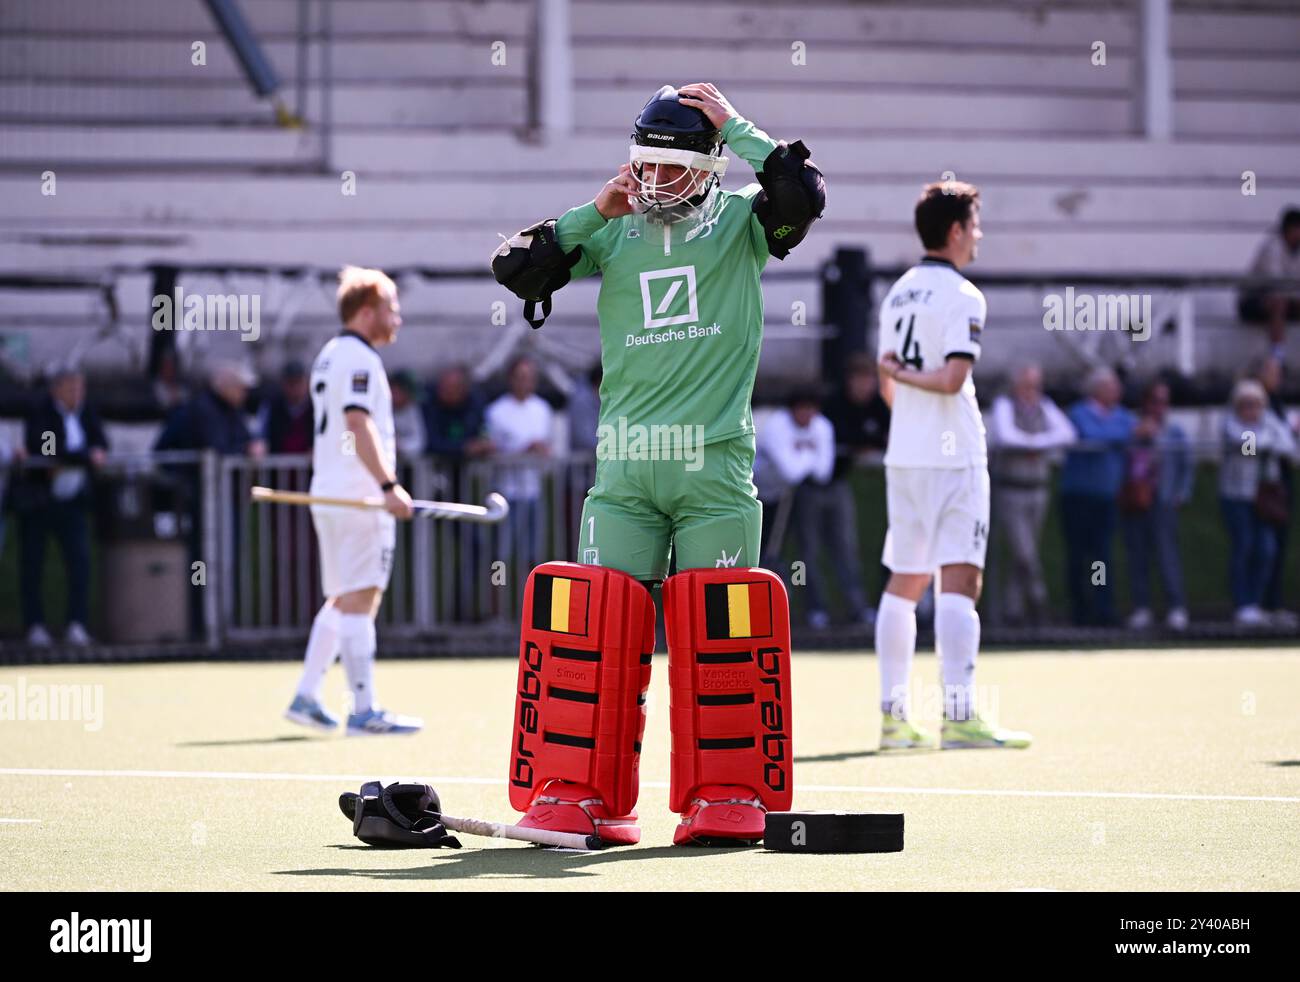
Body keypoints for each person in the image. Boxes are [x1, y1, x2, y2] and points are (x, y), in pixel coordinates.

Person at [491, 82, 824, 845]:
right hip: (626, 473)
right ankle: (583, 796)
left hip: (714, 471)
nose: (653, 181)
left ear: (709, 168)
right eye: (644, 165)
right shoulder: (613, 228)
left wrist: (736, 126)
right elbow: (513, 267)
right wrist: (593, 212)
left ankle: (726, 792)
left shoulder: (744, 221)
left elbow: (802, 196)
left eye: (671, 168)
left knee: (722, 642)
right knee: (594, 641)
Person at [874, 180, 1031, 752]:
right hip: (954, 454)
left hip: (905, 452)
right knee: (960, 577)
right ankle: (960, 716)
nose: (980, 235)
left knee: (905, 580)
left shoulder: (896, 294)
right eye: (976, 224)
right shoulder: (964, 295)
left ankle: (893, 717)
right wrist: (912, 379)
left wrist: (899, 378)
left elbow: (889, 388)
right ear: (957, 230)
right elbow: (951, 379)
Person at [284, 266, 422, 736]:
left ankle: (306, 695)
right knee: (363, 597)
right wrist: (388, 486)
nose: (397, 319)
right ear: (367, 311)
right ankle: (364, 710)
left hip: (330, 490)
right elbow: (357, 423)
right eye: (391, 308)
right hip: (359, 495)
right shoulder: (361, 359)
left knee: (343, 595)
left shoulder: (329, 354)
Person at [761, 390, 874, 629]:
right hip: (769, 495)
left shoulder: (821, 426)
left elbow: (822, 471)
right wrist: (808, 456)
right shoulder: (775, 427)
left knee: (844, 547)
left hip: (802, 492)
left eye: (811, 409)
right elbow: (790, 472)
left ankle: (858, 609)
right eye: (802, 409)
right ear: (791, 410)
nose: (807, 415)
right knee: (801, 553)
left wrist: (801, 457)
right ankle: (814, 609)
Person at [16, 367, 108, 646]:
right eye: (71, 389)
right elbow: (48, 452)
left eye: (80, 389)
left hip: (73, 502)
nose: (76, 394)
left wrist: (85, 456)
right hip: (40, 503)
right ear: (56, 389)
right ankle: (35, 626)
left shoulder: (87, 412)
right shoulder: (40, 411)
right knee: (33, 565)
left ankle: (77, 624)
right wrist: (84, 457)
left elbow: (101, 444)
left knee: (80, 563)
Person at [986, 363, 1075, 626]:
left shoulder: (1044, 406)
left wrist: (1033, 443)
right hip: (1012, 489)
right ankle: (1039, 601)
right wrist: (1038, 443)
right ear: (1016, 386)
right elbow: (1006, 437)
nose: (1031, 391)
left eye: (1035, 385)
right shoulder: (1004, 406)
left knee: (1024, 554)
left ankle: (1012, 611)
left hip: (1038, 489)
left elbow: (1067, 434)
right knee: (1024, 552)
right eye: (1026, 385)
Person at [1059, 367, 1135, 627]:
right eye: (1111, 386)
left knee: (1101, 556)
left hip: (1106, 497)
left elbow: (1132, 432)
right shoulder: (1078, 413)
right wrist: (1121, 437)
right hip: (1078, 497)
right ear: (1097, 389)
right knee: (1078, 555)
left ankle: (1103, 608)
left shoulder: (1122, 415)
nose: (1117, 391)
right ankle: (1080, 609)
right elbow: (1092, 436)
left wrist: (1122, 436)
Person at [1219, 378, 1298, 627]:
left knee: (1266, 549)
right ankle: (1243, 605)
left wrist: (1274, 440)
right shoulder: (1230, 424)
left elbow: (1292, 450)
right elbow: (1250, 447)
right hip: (1237, 497)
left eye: (1256, 404)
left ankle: (1257, 603)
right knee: (1244, 547)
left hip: (1265, 498)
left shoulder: (1269, 422)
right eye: (1246, 404)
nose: (1252, 410)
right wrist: (1274, 440)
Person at [1120, 380, 1193, 631]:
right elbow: (1120, 456)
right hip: (1136, 501)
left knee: (1167, 554)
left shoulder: (1175, 431)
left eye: (1164, 402)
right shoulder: (1131, 426)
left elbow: (1186, 465)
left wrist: (1181, 494)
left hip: (1163, 502)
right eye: (1155, 401)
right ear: (1146, 403)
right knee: (1137, 554)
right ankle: (1142, 607)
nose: (1160, 407)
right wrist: (1138, 436)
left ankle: (1176, 607)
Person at [484, 355, 554, 576]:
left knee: (533, 554)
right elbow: (491, 451)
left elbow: (552, 449)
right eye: (520, 377)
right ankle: (495, 608)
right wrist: (522, 451)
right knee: (499, 554)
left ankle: (530, 605)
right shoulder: (496, 411)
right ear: (510, 379)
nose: (525, 382)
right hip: (506, 492)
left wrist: (542, 452)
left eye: (530, 377)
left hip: (534, 491)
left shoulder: (543, 409)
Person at [1256, 357, 1297, 627]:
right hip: (1256, 489)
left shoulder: (1277, 403)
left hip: (1280, 485)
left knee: (1277, 547)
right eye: (1271, 371)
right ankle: (1252, 605)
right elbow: (1249, 446)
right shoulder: (1252, 402)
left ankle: (1273, 603)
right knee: (1259, 548)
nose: (1276, 377)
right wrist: (1283, 439)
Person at [1238, 207, 1300, 355]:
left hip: (1287, 299)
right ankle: (1276, 360)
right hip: (1252, 301)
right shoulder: (1272, 247)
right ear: (1288, 230)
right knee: (1278, 303)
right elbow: (1276, 285)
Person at [257, 361, 313, 455]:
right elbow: (260, 436)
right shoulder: (272, 405)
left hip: (310, 468)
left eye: (298, 382)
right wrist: (259, 446)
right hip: (276, 466)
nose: (295, 388)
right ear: (283, 384)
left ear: (307, 383)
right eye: (291, 383)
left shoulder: (316, 406)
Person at [389, 370, 427, 459]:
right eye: (395, 391)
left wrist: (400, 446)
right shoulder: (378, 409)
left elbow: (419, 442)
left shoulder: (413, 410)